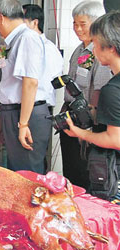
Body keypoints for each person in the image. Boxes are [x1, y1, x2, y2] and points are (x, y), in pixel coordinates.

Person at [64, 10, 120, 201]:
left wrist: (79, 132)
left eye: (95, 44)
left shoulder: (112, 89)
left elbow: (115, 140)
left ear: (111, 47)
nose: (93, 51)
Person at [0, 0, 50, 174]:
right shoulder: (16, 41)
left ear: (1, 18)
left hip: (26, 115)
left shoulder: (27, 38)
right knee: (17, 172)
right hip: (16, 113)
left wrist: (23, 124)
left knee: (28, 175)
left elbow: (30, 82)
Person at [23, 4, 63, 113]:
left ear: (35, 23)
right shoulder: (25, 45)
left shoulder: (48, 48)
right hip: (26, 106)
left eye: (23, 21)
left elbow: (50, 81)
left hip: (38, 106)